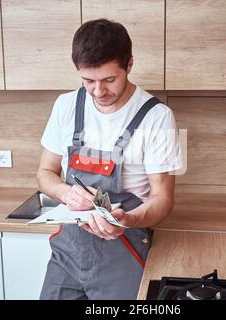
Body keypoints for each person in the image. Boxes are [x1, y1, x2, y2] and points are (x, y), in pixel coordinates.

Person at [37, 18, 182, 300]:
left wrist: (126, 219)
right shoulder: (65, 105)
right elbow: (45, 173)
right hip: (68, 253)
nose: (98, 91)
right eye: (88, 80)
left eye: (108, 80)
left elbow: (163, 199)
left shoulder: (158, 118)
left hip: (123, 251)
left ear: (129, 65)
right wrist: (67, 193)